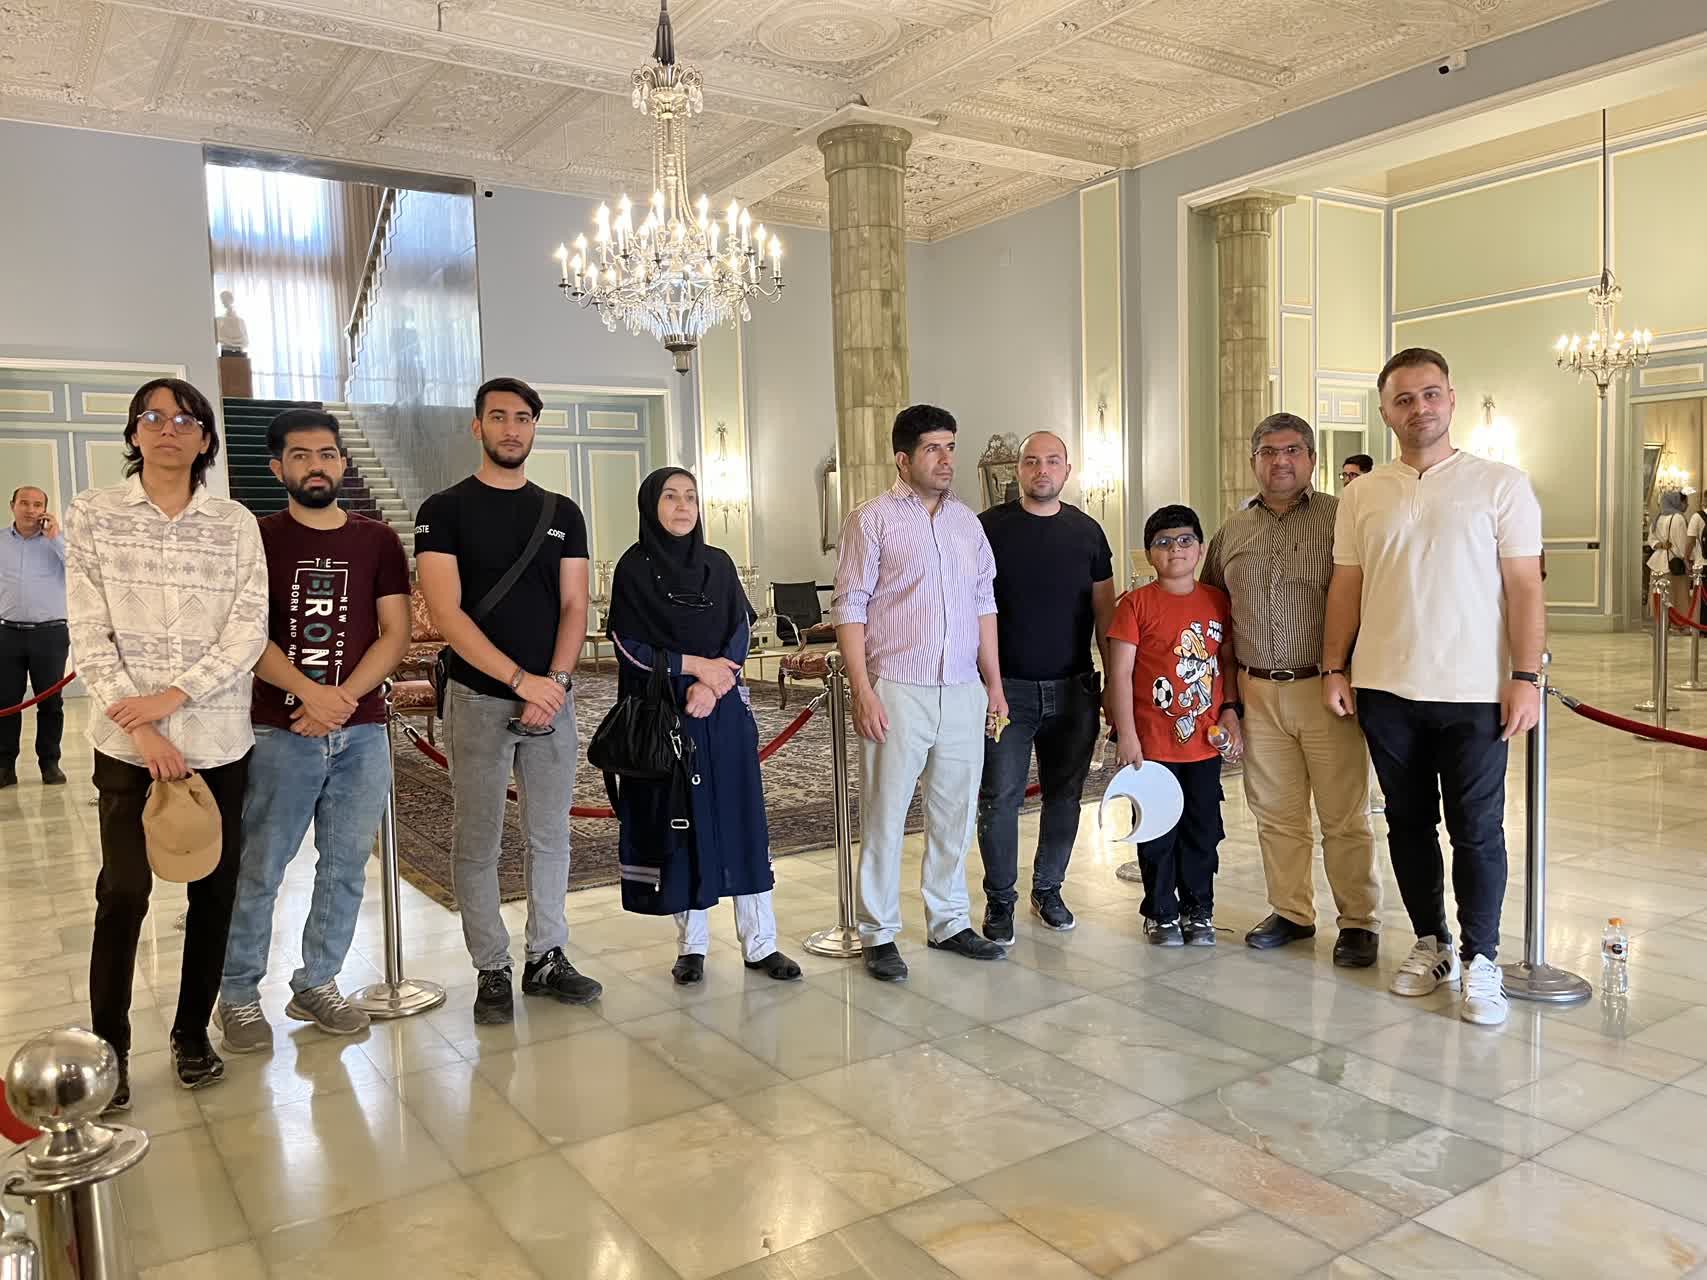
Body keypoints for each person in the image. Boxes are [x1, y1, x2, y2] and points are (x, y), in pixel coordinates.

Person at [1323, 347, 1544, 1027]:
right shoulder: (1362, 494)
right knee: (1408, 822)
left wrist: (1525, 677)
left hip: (1475, 690)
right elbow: (1347, 586)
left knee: (1476, 829)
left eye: (1429, 394)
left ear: (1450, 399)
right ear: (1385, 412)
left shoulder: (1501, 484)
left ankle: (1482, 959)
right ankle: (1431, 942)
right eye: (1403, 399)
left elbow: (1524, 586)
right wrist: (1333, 666)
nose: (1418, 408)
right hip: (1384, 688)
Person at [65, 378, 268, 1106]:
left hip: (218, 740)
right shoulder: (93, 514)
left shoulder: (234, 523)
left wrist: (174, 698)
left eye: (185, 419)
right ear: (133, 433)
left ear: (205, 438)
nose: (167, 429)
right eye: (152, 417)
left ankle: (190, 1033)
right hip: (127, 745)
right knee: (123, 891)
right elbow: (88, 631)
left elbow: (248, 628)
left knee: (214, 890)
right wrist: (144, 725)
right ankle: (110, 1048)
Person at [214, 409, 411, 1052]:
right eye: (301, 455)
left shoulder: (377, 540)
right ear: (278, 468)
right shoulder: (256, 538)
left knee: (346, 866)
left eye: (327, 454)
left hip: (362, 732)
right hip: (280, 729)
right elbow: (247, 635)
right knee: (262, 867)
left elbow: (395, 633)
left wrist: (341, 699)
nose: (316, 465)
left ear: (343, 463)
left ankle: (317, 982)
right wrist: (309, 694)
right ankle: (237, 994)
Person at [415, 376, 602, 1024]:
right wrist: (523, 682)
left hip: (552, 700)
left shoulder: (562, 512)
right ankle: (490, 966)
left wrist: (556, 683)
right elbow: (446, 613)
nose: (511, 429)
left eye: (522, 418)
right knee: (479, 839)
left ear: (533, 428)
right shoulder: (443, 510)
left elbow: (575, 604)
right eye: (498, 417)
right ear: (478, 427)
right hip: (478, 698)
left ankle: (546, 956)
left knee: (551, 836)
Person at [833, 404, 1008, 982]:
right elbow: (850, 605)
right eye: (933, 448)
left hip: (961, 688)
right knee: (885, 814)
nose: (946, 459)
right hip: (897, 686)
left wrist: (993, 685)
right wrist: (862, 689)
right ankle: (879, 931)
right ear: (903, 458)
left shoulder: (968, 524)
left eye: (950, 447)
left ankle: (949, 921)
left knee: (954, 814)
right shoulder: (872, 520)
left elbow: (984, 605)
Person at [606, 468, 801, 985]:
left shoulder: (718, 564)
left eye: (691, 497)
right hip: (667, 713)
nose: (682, 506)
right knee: (682, 823)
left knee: (741, 820)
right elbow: (627, 645)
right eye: (671, 497)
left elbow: (739, 629)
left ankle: (761, 944)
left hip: (722, 711)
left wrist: (714, 684)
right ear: (651, 506)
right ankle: (691, 946)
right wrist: (691, 669)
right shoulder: (634, 568)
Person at [1201, 414, 1381, 967]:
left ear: (1312, 460)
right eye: (1269, 451)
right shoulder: (1232, 532)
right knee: (1276, 813)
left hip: (1326, 689)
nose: (1280, 461)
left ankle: (1359, 920)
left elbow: (1371, 599)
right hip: (1256, 690)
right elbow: (1214, 618)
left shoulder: (1341, 519)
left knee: (1344, 815)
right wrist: (1227, 702)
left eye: (1293, 450)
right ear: (1253, 460)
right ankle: (1292, 912)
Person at [975, 430, 1114, 942]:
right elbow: (973, 608)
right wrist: (987, 682)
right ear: (1018, 470)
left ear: (1067, 471)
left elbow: (1106, 613)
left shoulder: (1088, 532)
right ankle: (1000, 899)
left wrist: (1112, 688)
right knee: (1000, 798)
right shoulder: (988, 528)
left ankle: (1049, 889)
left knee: (1065, 796)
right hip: (1005, 689)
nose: (1042, 470)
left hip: (1074, 689)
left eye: (1052, 461)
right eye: (1032, 461)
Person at [1107, 505, 1237, 946]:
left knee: (1202, 829)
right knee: (1157, 830)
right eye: (1162, 543)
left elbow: (1227, 663)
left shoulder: (1217, 601)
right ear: (1149, 554)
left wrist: (1230, 711)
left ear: (1200, 549)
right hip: (1153, 746)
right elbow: (1120, 674)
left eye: (1184, 540)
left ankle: (1199, 909)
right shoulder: (1135, 604)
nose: (1175, 549)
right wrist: (1127, 735)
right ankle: (1161, 912)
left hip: (1203, 744)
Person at [1, 485, 69, 787]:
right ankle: (4, 766)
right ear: (12, 506)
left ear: (45, 509)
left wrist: (56, 537)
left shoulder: (58, 542)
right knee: (6, 702)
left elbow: (79, 568)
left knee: (51, 702)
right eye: (24, 503)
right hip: (7, 633)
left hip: (50, 634)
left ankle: (50, 763)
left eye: (37, 504)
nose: (31, 510)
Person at [1649, 489, 1692, 615]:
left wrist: (1662, 545)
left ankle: (1661, 623)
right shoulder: (1678, 518)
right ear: (1677, 502)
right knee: (1678, 598)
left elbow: (1651, 540)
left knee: (1660, 598)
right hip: (1674, 564)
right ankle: (1676, 623)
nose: (1687, 505)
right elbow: (1682, 544)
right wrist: (1688, 560)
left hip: (1657, 563)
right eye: (1685, 502)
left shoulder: (1658, 517)